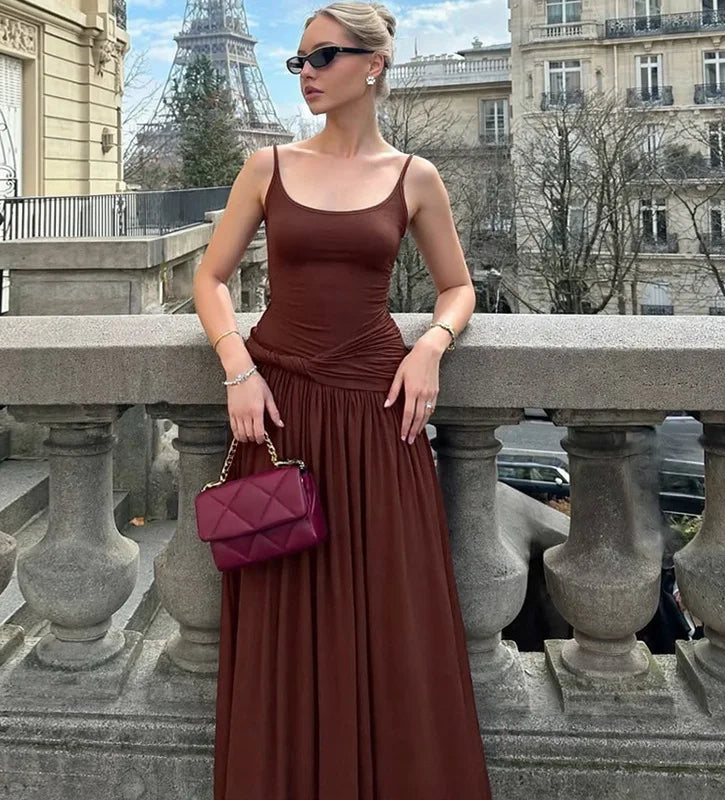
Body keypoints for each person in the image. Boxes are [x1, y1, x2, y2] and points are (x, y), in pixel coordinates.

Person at [193, 2, 492, 797]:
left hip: (376, 416)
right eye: (298, 62)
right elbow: (209, 278)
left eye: (321, 57)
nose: (306, 75)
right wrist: (237, 364)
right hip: (280, 410)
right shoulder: (268, 166)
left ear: (374, 63)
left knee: (390, 618)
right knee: (282, 623)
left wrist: (432, 343)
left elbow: (457, 286)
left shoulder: (414, 177)